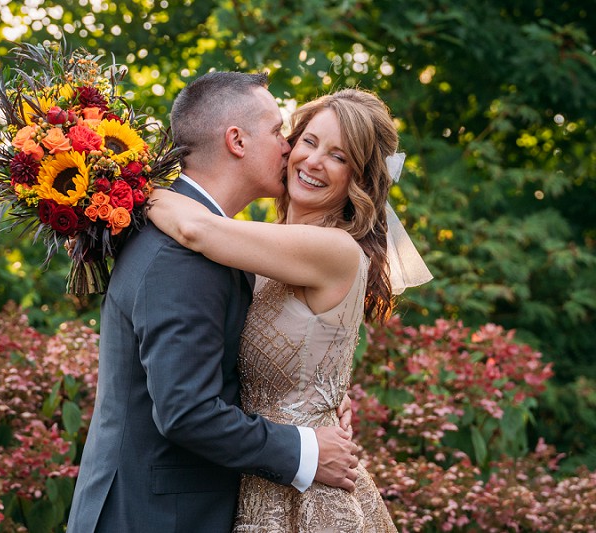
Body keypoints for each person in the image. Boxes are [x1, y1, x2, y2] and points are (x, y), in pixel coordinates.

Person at [66, 73, 363, 533]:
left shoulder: (226, 242)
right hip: (154, 516)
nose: (289, 148)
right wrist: (306, 449)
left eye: (337, 155)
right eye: (278, 132)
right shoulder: (182, 252)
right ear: (236, 140)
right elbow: (187, 410)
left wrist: (323, 396)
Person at [148, 88, 432, 531]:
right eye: (309, 141)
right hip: (257, 470)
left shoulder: (334, 249)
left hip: (309, 495)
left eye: (339, 157)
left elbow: (195, 229)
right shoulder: (262, 247)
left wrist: (117, 189)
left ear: (358, 178)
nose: (315, 162)